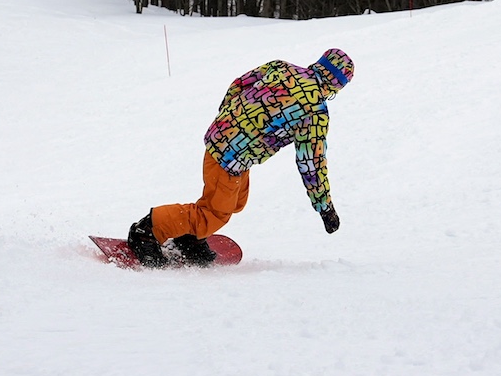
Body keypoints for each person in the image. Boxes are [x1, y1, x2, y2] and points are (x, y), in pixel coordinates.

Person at [127, 47, 354, 266]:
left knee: (236, 201)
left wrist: (227, 122)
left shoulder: (282, 67)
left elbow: (239, 84)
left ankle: (191, 235)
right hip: (229, 158)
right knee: (215, 213)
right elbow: (311, 164)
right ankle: (147, 232)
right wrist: (325, 208)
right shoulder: (315, 112)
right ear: (337, 86)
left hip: (226, 145)